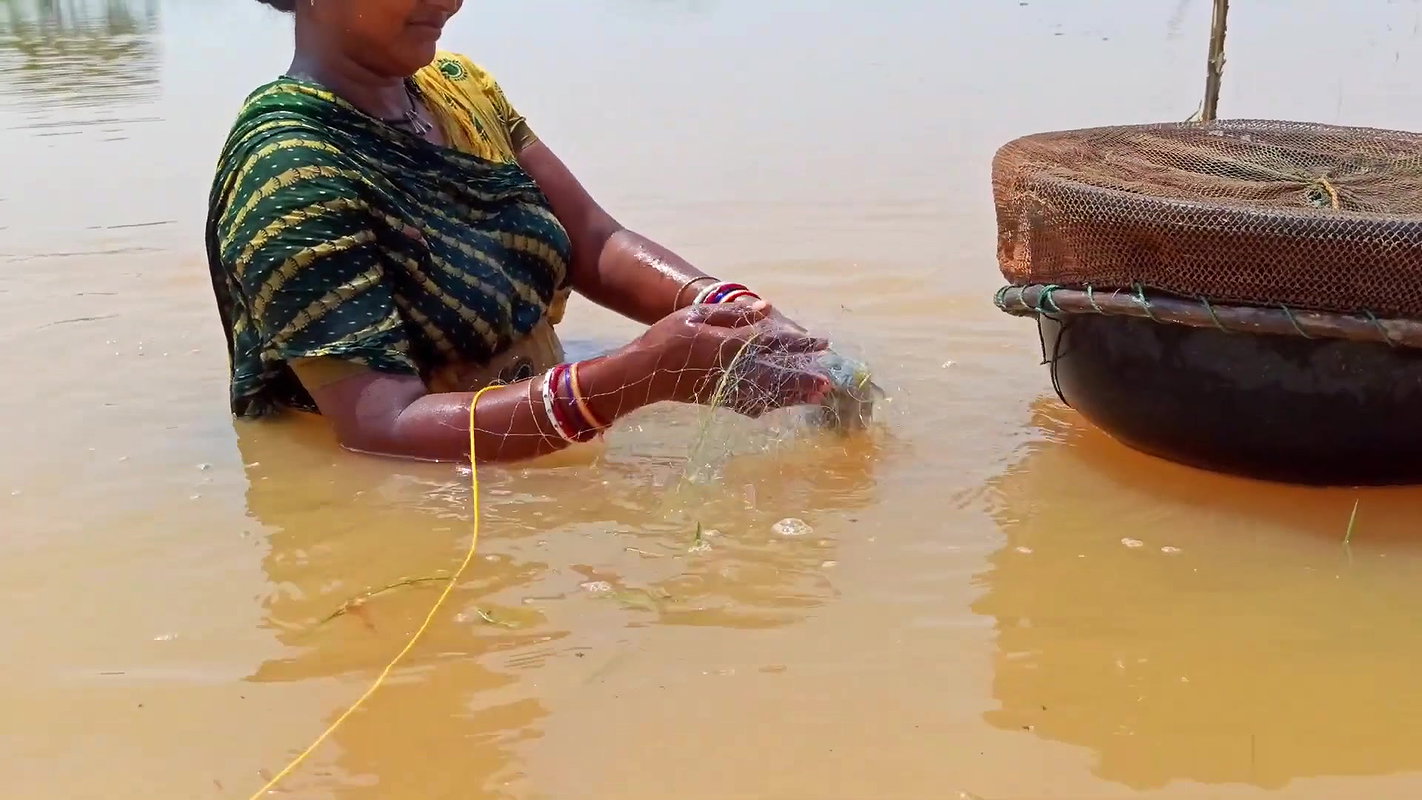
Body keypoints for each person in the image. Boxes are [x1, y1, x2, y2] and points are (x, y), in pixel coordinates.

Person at [205, 0, 831, 464]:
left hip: (544, 434)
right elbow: (381, 430)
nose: (450, 2)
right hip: (426, 509)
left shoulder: (459, 90)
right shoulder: (289, 176)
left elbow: (593, 240)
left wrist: (732, 313)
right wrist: (634, 379)